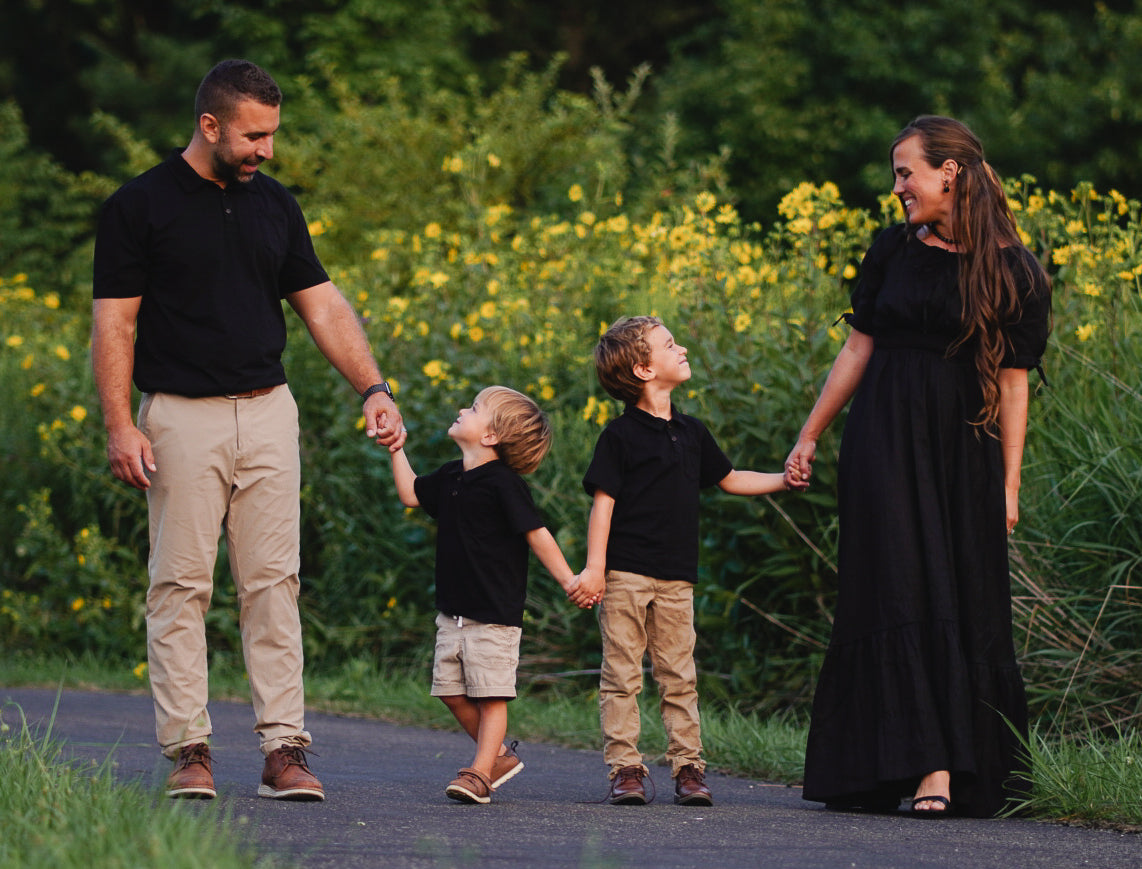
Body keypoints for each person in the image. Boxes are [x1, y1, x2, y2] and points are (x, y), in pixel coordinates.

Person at [91, 59, 405, 801]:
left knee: (274, 583)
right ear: (210, 126)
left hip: (270, 411)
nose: (267, 150)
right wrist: (118, 425)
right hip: (179, 416)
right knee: (180, 586)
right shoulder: (139, 205)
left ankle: (284, 748)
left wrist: (373, 387)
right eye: (254, 135)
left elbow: (322, 304)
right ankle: (189, 749)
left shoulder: (276, 205)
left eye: (272, 135)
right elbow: (115, 324)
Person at [783, 115, 1051, 818]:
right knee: (895, 584)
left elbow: (1016, 383)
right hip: (884, 437)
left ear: (949, 173)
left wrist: (1010, 484)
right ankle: (922, 765)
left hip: (966, 445)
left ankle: (962, 765)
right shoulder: (892, 251)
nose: (898, 187)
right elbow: (857, 349)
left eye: (906, 172)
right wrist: (810, 434)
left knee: (961, 592)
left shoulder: (1016, 268)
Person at [575, 316, 789, 806]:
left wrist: (784, 479)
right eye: (670, 345)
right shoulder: (620, 436)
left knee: (679, 675)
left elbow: (731, 479)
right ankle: (626, 769)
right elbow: (602, 505)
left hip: (676, 578)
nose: (682, 348)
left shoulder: (692, 432)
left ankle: (688, 768)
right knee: (622, 675)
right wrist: (594, 569)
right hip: (625, 574)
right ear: (644, 370)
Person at [387, 385, 590, 804]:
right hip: (453, 612)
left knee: (490, 693)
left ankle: (480, 773)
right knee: (448, 690)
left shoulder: (503, 484)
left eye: (475, 408)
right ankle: (497, 756)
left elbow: (537, 534)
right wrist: (395, 448)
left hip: (495, 613)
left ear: (491, 436)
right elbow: (410, 494)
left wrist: (570, 579)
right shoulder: (450, 476)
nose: (463, 409)